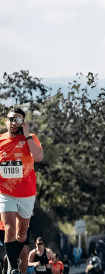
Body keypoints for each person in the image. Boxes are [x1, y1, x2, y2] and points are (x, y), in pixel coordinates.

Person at [1, 109, 44, 274]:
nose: (14, 123)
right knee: (10, 228)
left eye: (18, 120)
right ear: (6, 121)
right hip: (5, 192)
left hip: (26, 193)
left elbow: (38, 157)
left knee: (22, 234)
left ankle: (13, 259)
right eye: (11, 119)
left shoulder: (31, 138)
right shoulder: (0, 140)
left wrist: (26, 135)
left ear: (23, 123)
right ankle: (13, 267)